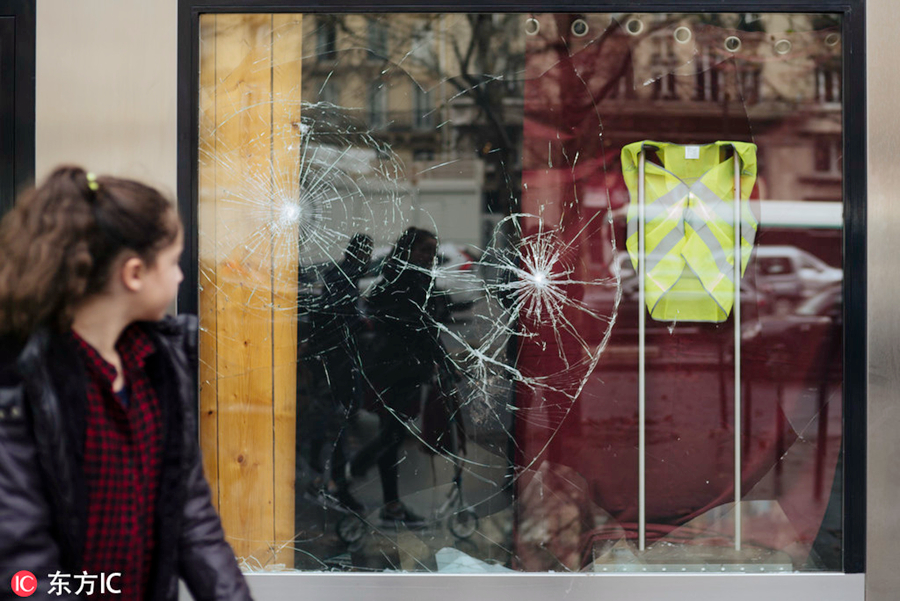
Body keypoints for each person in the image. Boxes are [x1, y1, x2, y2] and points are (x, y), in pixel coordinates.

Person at [0, 167, 252, 600]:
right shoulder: (21, 381)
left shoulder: (161, 367)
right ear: (134, 273)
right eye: (173, 262)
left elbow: (193, 520)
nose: (180, 277)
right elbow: (22, 565)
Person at [346, 227, 447, 526]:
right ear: (407, 251)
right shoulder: (405, 281)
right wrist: (439, 358)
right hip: (398, 370)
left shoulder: (407, 278)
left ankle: (389, 502)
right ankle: (353, 476)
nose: (429, 257)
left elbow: (425, 327)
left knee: (392, 434)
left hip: (403, 368)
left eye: (432, 251)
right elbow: (418, 327)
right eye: (424, 250)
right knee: (393, 434)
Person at [300, 233, 372, 513]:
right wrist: (360, 327)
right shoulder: (344, 276)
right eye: (364, 252)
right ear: (357, 252)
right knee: (338, 422)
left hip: (332, 356)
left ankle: (319, 474)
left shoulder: (339, 273)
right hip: (337, 358)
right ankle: (336, 486)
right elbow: (336, 316)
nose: (366, 258)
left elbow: (327, 313)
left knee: (329, 419)